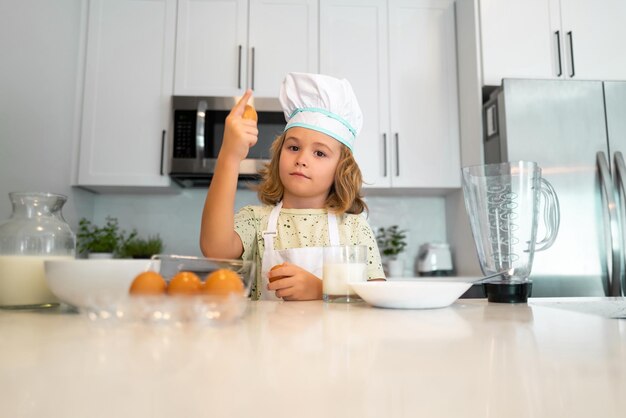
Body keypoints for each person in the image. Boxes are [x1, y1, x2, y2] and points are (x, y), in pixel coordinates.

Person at [200, 72, 385, 301]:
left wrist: (320, 290)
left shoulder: (354, 228)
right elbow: (215, 250)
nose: (302, 159)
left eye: (319, 153)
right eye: (294, 148)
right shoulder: (255, 220)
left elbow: (378, 296)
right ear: (279, 155)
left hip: (337, 339)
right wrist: (229, 155)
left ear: (341, 168)